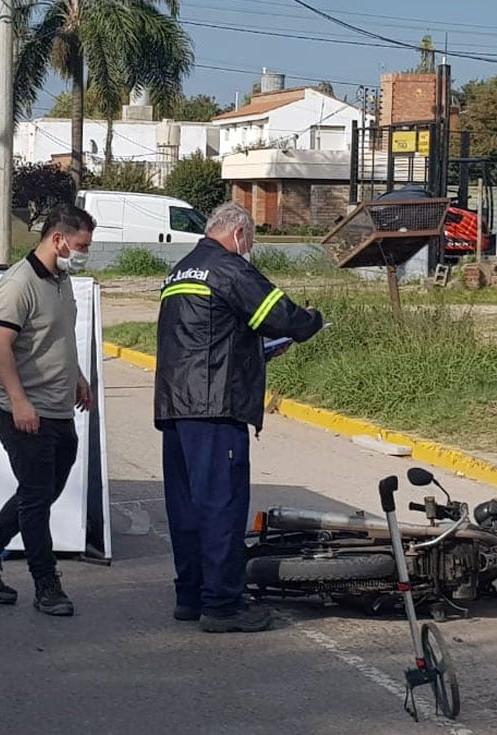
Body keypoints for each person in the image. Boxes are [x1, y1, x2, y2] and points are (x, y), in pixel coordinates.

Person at [153, 202, 324, 633]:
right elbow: (281, 315)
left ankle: (189, 596)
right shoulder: (230, 269)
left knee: (186, 508)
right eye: (251, 241)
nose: (250, 248)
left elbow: (208, 337)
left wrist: (260, 350)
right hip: (214, 405)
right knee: (221, 507)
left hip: (176, 406)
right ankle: (223, 604)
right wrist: (311, 322)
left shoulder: (180, 272)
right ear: (240, 235)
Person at [0, 203, 95, 617]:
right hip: (24, 411)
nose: (84, 252)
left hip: (58, 410)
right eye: (81, 245)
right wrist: (19, 400)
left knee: (43, 493)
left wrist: (79, 378)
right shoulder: (18, 284)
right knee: (36, 499)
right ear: (58, 240)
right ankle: (46, 584)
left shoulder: (61, 279)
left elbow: (58, 338)